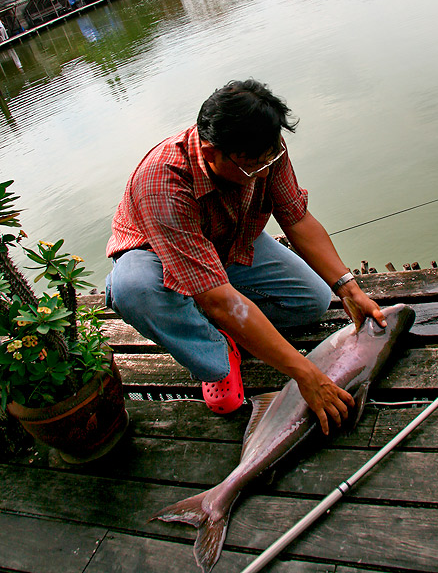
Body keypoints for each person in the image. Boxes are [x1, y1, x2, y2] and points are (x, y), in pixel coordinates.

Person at [105, 79, 385, 434]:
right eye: (254, 167)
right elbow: (218, 299)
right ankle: (217, 358)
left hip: (230, 240)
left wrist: (348, 288)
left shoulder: (263, 148)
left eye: (271, 159)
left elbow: (296, 217)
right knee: (135, 289)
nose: (265, 171)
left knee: (311, 302)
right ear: (210, 153)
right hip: (159, 258)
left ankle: (231, 326)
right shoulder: (162, 182)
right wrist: (305, 373)